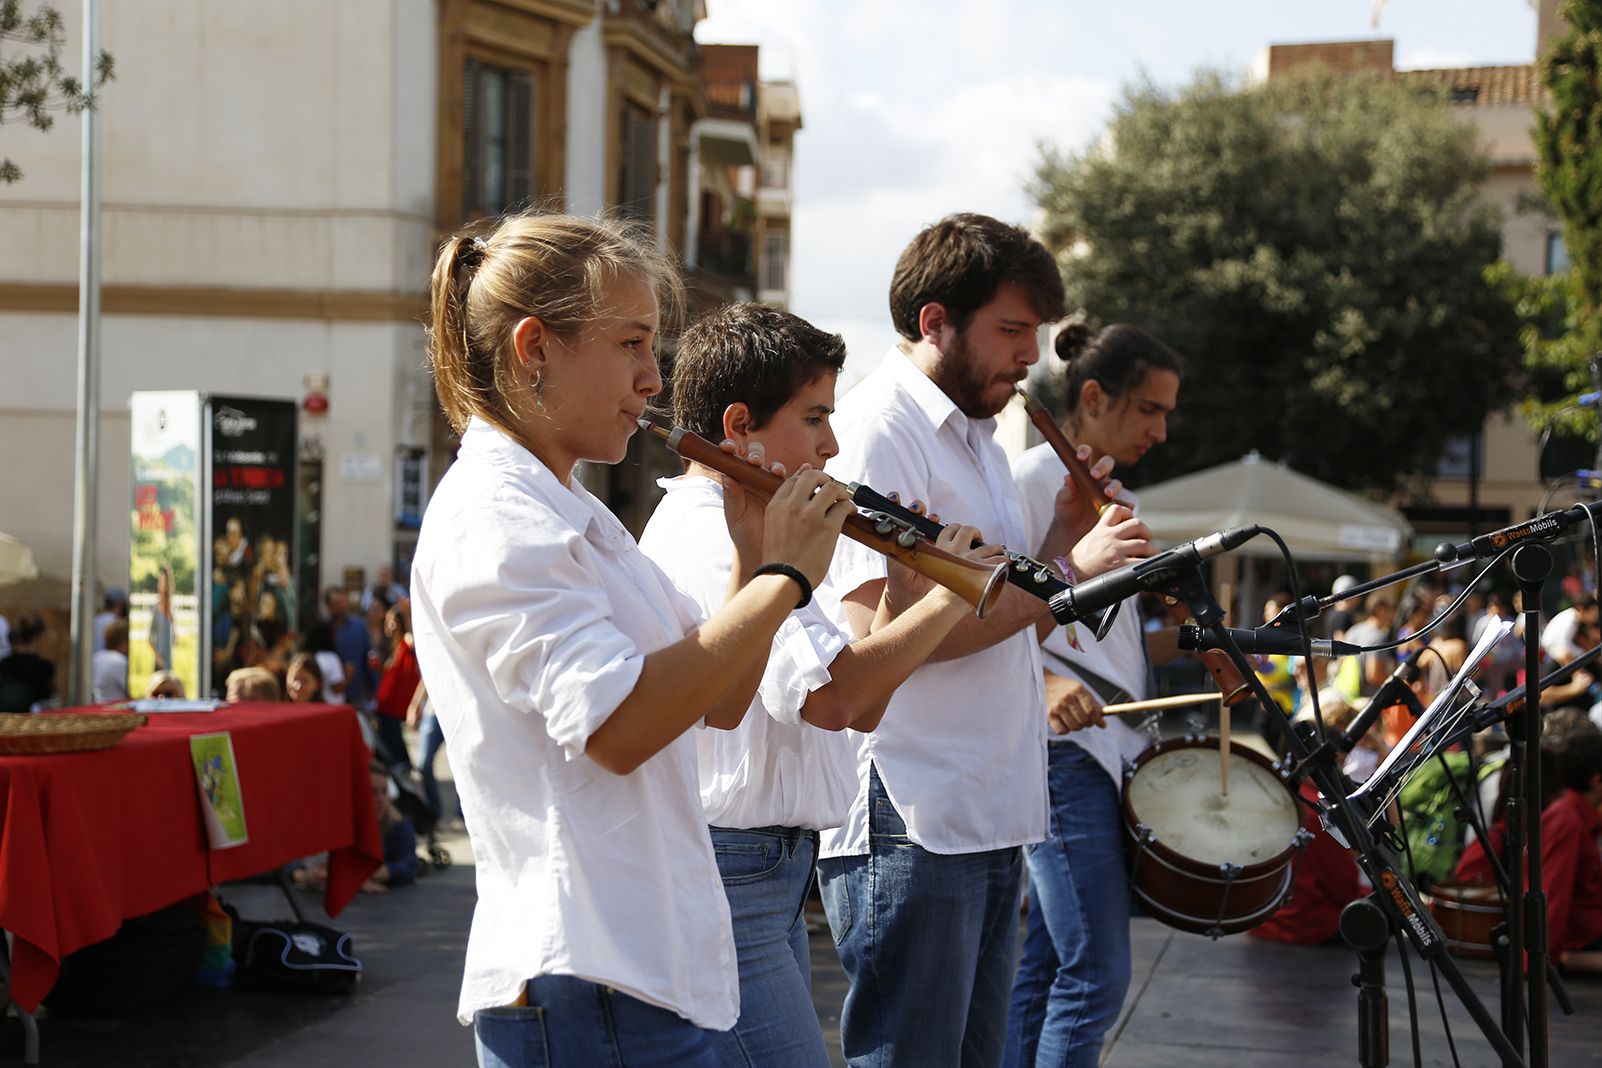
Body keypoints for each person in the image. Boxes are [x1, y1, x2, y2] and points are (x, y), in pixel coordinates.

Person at [408, 211, 853, 1067]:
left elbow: (719, 704)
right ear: (536, 347)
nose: (654, 379)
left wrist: (755, 556)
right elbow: (618, 728)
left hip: (637, 972)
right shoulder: (500, 519)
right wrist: (785, 580)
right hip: (587, 979)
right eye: (633, 344)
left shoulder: (571, 509)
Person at [816, 213, 1151, 1068]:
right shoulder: (879, 432)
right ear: (935, 321)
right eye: (1010, 331)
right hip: (916, 810)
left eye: (1034, 333)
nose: (1029, 356)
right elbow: (880, 639)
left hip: (988, 804)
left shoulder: (979, 437)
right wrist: (1073, 570)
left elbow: (997, 606)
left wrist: (1058, 545)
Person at [640, 302, 995, 1067]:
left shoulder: (755, 522)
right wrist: (951, 594)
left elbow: (856, 706)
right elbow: (838, 699)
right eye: (815, 418)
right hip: (734, 870)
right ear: (740, 425)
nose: (833, 446)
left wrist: (905, 588)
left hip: (766, 873)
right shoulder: (714, 530)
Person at [1004, 322, 1181, 1068]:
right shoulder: (1027, 483)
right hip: (1063, 753)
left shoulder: (1118, 495)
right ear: (1092, 396)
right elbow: (992, 615)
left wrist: (1218, 646)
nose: (1161, 431)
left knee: (1046, 971)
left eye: (1167, 413)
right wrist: (1041, 682)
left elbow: (1110, 646)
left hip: (1107, 749)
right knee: (1097, 975)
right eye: (1148, 409)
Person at [373, 601, 424, 769]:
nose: (390, 625)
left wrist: (407, 615)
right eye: (387, 621)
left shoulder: (406, 641)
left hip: (396, 706)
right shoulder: (392, 647)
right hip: (387, 705)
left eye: (393, 621)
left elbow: (415, 639)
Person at [325, 587, 375, 713]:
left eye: (343, 602)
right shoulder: (322, 629)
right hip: (329, 697)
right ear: (328, 605)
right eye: (336, 603)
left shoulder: (359, 627)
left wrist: (372, 689)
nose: (341, 607)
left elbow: (367, 658)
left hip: (356, 695)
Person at [0, 614, 55, 712]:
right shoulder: (44, 667)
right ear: (39, 636)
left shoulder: (4, 664)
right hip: (34, 722)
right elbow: (48, 700)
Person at [91, 619, 130, 703]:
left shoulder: (97, 657)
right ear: (124, 641)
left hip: (99, 705)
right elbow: (133, 691)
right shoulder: (120, 661)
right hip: (118, 709)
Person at [150, 566, 175, 672]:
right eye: (160, 582)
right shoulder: (156, 608)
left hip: (169, 660)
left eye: (165, 582)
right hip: (159, 661)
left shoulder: (172, 607)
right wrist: (159, 658)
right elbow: (150, 638)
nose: (162, 586)